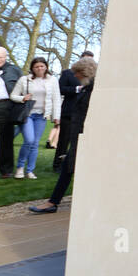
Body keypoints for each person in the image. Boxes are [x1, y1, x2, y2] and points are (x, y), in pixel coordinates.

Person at [28, 57, 96, 212]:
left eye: (77, 73)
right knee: (68, 167)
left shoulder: (92, 90)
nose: (75, 76)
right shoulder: (87, 88)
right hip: (79, 134)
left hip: (85, 135)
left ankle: (53, 203)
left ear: (85, 72)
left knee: (69, 168)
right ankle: (53, 202)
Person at [10, 58, 61, 178]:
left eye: (42, 66)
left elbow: (56, 99)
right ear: (32, 68)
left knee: (35, 143)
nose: (39, 69)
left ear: (46, 67)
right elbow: (12, 95)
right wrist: (22, 98)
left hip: (41, 116)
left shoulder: (52, 80)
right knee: (29, 140)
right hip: (27, 114)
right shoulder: (24, 79)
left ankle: (30, 171)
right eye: (37, 67)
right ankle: (20, 168)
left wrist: (56, 117)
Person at [0, 46, 22, 177]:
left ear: (5, 56)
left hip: (5, 106)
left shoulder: (14, 70)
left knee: (5, 141)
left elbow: (22, 87)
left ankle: (6, 170)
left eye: (0, 57)